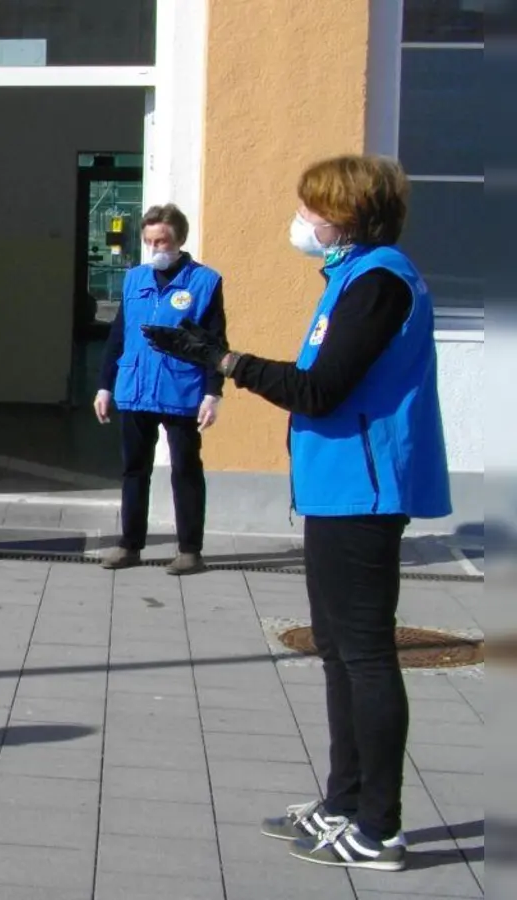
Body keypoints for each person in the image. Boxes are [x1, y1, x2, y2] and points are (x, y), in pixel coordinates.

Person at [144, 154, 450, 872]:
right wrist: (217, 356)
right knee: (339, 652)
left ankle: (379, 827)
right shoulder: (352, 277)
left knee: (366, 655)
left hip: (363, 492)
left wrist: (223, 361)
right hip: (337, 487)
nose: (302, 220)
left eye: (313, 208)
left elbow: (319, 391)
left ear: (345, 216)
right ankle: (343, 803)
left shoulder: (378, 283)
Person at [94, 203, 227, 576]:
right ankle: (129, 545)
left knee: (185, 469)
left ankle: (189, 550)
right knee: (134, 469)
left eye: (163, 241)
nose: (157, 248)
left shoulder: (205, 282)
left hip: (180, 390)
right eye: (150, 241)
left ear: (180, 239)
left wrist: (213, 393)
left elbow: (216, 343)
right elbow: (118, 336)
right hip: (135, 388)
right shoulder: (135, 279)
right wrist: (104, 386)